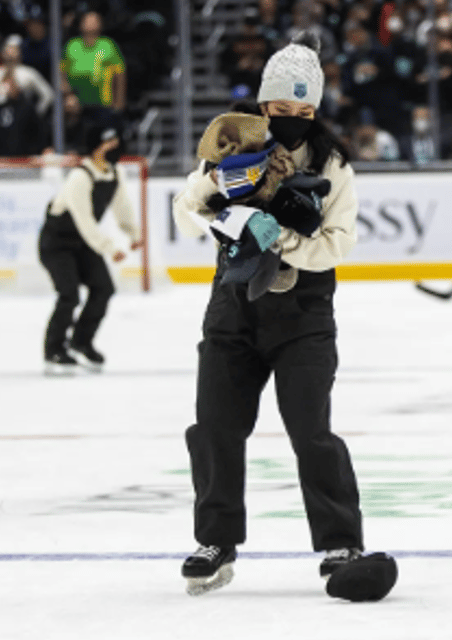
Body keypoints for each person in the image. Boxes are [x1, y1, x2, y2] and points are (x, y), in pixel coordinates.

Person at [170, 33, 377, 598]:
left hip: (304, 315)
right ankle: (215, 542)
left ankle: (341, 543)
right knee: (214, 427)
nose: (293, 120)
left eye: (305, 112)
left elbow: (336, 245)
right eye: (283, 110)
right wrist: (215, 203)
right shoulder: (231, 148)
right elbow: (184, 214)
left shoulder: (333, 165)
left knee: (312, 432)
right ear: (264, 107)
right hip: (232, 310)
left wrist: (280, 239)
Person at [38, 120, 141, 374]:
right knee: (69, 294)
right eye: (109, 143)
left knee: (103, 289)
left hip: (83, 243)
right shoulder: (79, 177)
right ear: (96, 147)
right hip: (57, 244)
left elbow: (122, 207)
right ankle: (54, 350)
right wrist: (108, 247)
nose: (115, 147)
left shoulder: (114, 173)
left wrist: (132, 233)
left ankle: (81, 342)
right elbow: (84, 220)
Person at [61, 11, 126, 112]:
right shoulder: (72, 45)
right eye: (87, 21)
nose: (90, 24)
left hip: (104, 105)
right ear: (81, 24)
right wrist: (67, 95)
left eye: (94, 21)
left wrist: (119, 102)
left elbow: (120, 75)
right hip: (77, 105)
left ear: (100, 24)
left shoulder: (108, 45)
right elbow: (61, 72)